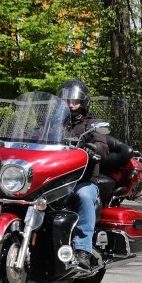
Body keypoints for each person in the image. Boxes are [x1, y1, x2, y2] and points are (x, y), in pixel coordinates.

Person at [58, 78, 110, 269]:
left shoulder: (91, 124)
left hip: (83, 179)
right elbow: (36, 135)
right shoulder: (55, 123)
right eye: (67, 100)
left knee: (84, 196)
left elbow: (103, 147)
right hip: (55, 180)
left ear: (83, 102)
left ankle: (82, 250)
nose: (71, 104)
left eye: (76, 101)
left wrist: (92, 147)